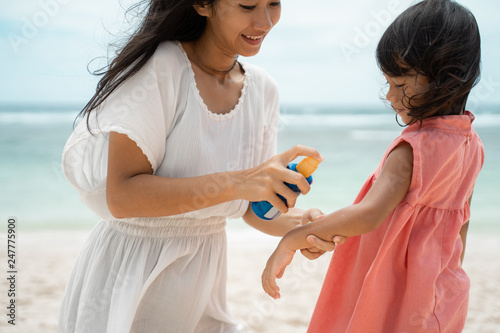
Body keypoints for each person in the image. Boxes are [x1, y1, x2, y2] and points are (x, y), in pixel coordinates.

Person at [59, 0, 336, 332]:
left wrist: (302, 226)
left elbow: (250, 208)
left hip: (206, 279)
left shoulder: (263, 90)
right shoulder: (160, 69)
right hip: (133, 275)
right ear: (203, 4)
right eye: (248, 5)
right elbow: (122, 196)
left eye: (274, 3)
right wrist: (240, 182)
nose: (264, 21)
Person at [262, 0, 484, 332]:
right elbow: (461, 222)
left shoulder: (413, 149)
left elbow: (368, 214)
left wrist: (293, 238)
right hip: (439, 289)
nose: (390, 96)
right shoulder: (472, 145)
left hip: (391, 293)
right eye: (388, 83)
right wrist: (443, 278)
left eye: (400, 84)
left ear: (444, 78)